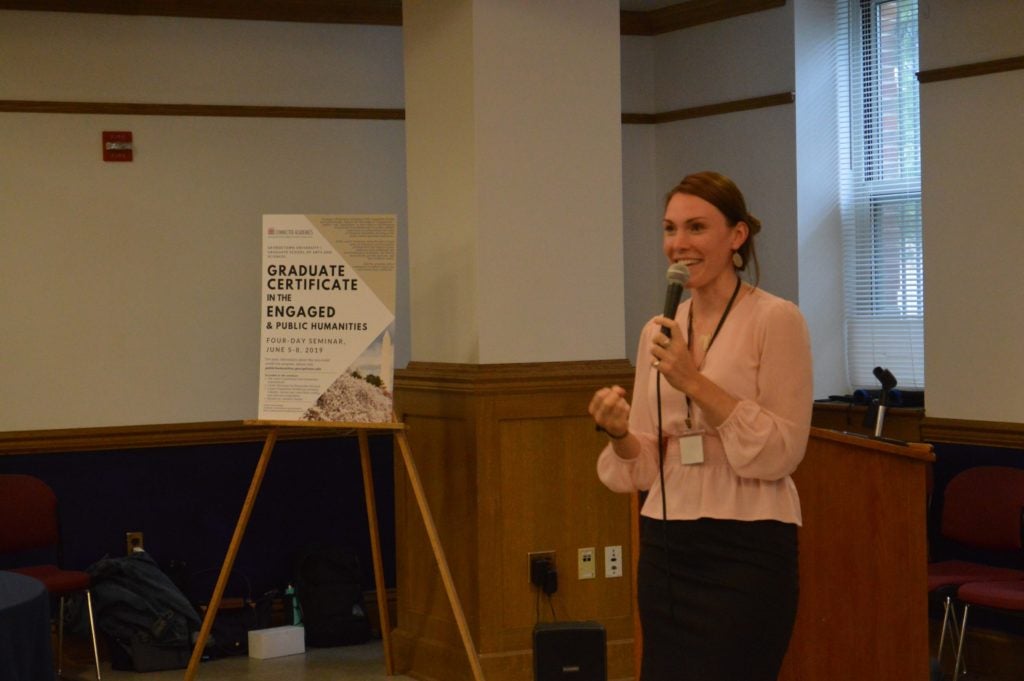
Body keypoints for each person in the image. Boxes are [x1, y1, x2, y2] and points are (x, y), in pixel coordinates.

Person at [588, 171, 813, 681]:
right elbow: (646, 464)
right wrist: (620, 434)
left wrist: (695, 382)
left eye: (695, 228)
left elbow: (782, 451)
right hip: (670, 544)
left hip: (748, 543)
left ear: (737, 237)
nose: (678, 245)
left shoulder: (776, 320)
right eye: (669, 229)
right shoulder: (659, 329)